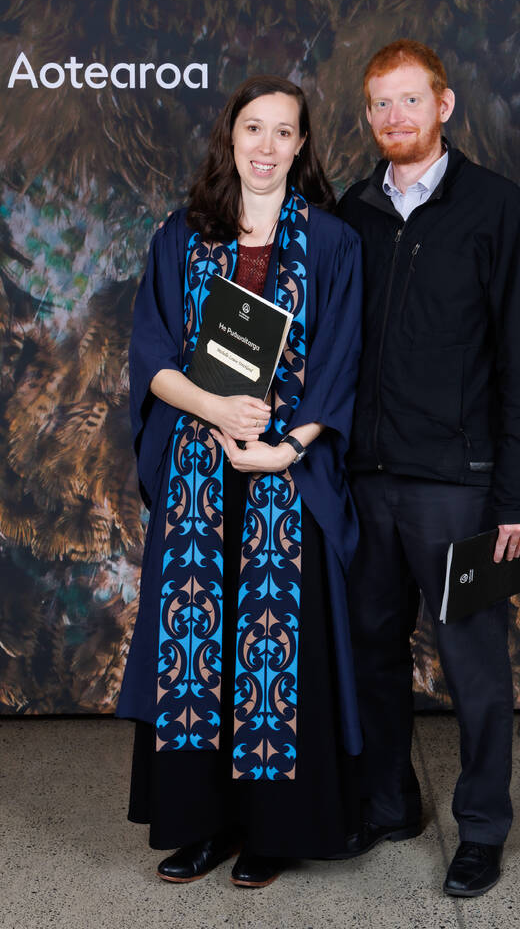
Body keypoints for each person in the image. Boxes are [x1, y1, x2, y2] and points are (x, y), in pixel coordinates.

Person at [117, 75, 363, 889]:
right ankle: (200, 824)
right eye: (251, 129)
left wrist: (288, 447)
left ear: (301, 145)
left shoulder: (330, 243)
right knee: (199, 650)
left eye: (282, 132)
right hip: (197, 473)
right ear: (230, 138)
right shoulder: (180, 237)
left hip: (281, 478)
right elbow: (152, 358)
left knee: (274, 658)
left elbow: (338, 364)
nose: (264, 146)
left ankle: (271, 828)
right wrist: (214, 407)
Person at [337, 40, 520, 897]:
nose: (393, 118)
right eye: (379, 105)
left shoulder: (495, 207)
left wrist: (515, 498)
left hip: (462, 490)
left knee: (474, 669)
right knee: (371, 654)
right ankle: (391, 803)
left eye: (408, 101)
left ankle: (483, 830)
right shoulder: (349, 212)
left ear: (444, 106)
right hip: (364, 482)